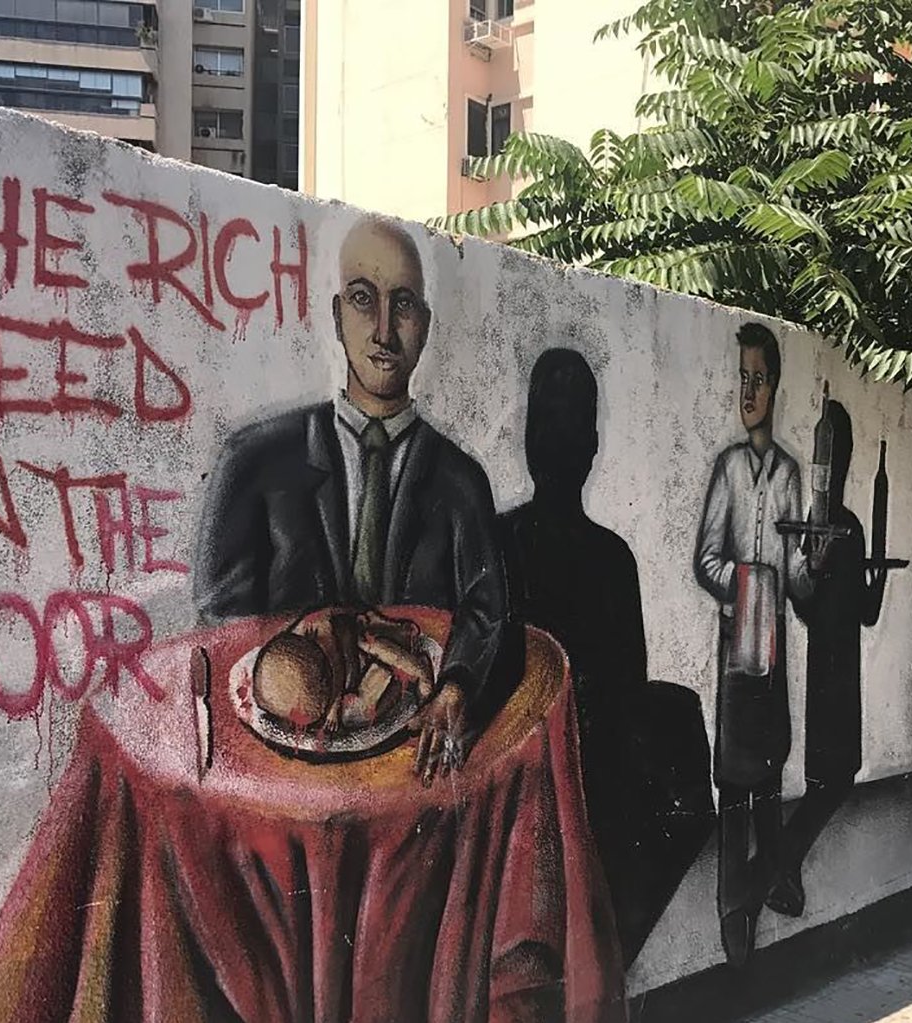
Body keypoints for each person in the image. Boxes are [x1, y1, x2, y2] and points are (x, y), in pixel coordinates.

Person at [195, 218, 515, 784]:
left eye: (405, 305)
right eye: (365, 301)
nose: (385, 332)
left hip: (407, 765)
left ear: (426, 326)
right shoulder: (254, 462)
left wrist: (456, 686)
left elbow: (486, 608)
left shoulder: (460, 479)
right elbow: (221, 623)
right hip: (283, 762)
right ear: (338, 315)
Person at [500, 349, 714, 964]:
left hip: (587, 763)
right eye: (558, 424)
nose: (565, 442)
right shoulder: (513, 543)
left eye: (568, 426)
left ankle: (603, 954)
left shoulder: (591, 554)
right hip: (536, 762)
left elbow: (628, 682)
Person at [694, 322, 819, 969]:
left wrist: (808, 566)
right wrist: (749, 583)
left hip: (772, 647)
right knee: (734, 783)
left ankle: (770, 876)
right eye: (741, 377)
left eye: (758, 378)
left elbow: (797, 575)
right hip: (736, 646)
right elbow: (706, 559)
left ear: (775, 385)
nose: (748, 390)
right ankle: (730, 907)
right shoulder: (728, 470)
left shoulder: (792, 475)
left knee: (769, 769)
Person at [774, 400, 886, 915]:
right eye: (825, 459)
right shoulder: (817, 529)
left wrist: (877, 575)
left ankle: (784, 866)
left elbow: (866, 612)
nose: (828, 470)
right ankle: (783, 865)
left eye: (834, 459)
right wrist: (807, 571)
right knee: (832, 777)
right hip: (828, 670)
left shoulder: (851, 528)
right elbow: (804, 606)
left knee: (836, 775)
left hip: (841, 669)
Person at [252, 608, 435, 735]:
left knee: (366, 711)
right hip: (356, 669)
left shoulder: (322, 631)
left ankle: (412, 668)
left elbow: (338, 668)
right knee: (354, 714)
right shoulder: (291, 646)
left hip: (363, 640)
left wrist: (333, 707)